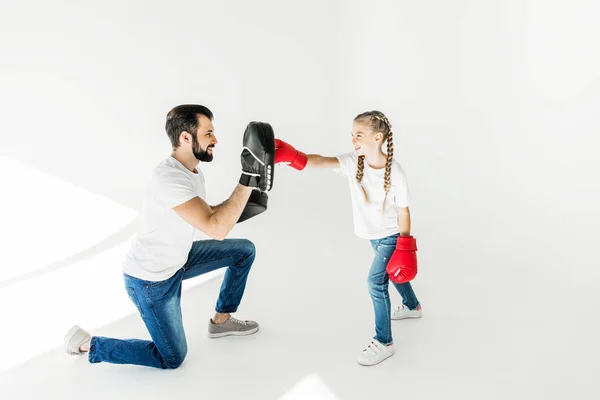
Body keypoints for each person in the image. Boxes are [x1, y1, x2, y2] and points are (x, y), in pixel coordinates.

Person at [63, 104, 275, 369]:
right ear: (186, 137)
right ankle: (90, 345)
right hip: (152, 281)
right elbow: (216, 228)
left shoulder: (192, 172)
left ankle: (221, 321)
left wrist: (242, 205)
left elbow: (205, 214)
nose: (215, 140)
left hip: (179, 258)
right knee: (172, 358)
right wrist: (246, 179)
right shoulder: (168, 178)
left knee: (244, 250)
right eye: (208, 133)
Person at [275, 110, 422, 366]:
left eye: (359, 135)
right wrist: (293, 157)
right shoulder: (355, 162)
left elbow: (403, 210)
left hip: (391, 236)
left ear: (378, 138)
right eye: (351, 135)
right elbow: (321, 161)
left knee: (375, 283)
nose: (353, 140)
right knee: (390, 271)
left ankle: (384, 341)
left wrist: (404, 247)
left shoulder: (395, 172)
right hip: (373, 237)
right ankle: (412, 306)